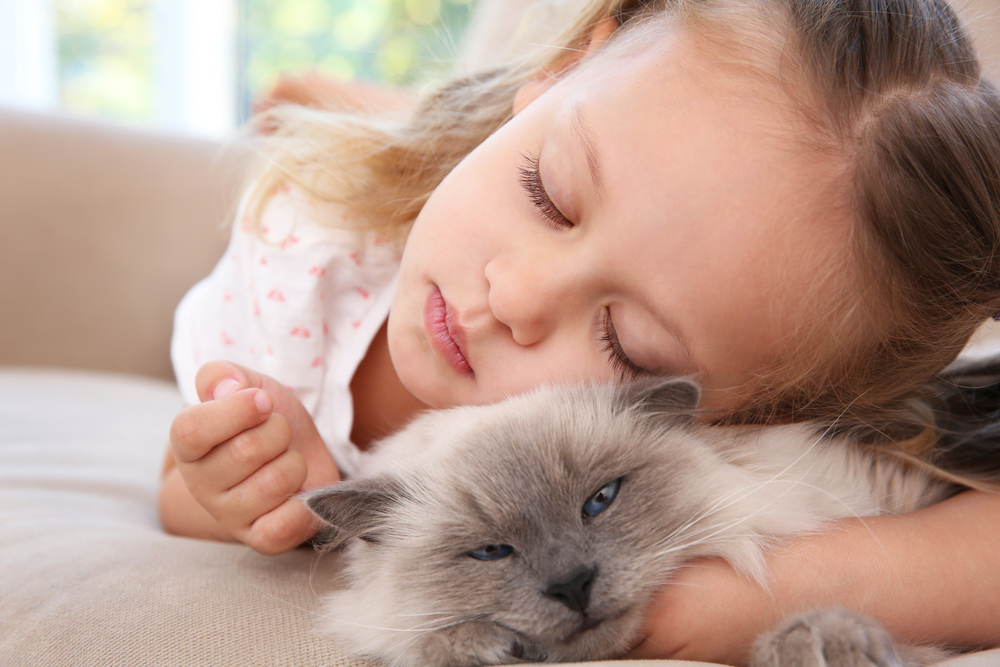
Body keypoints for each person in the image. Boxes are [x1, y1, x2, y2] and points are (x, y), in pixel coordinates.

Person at [160, 0, 1000, 663]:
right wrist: (256, 489)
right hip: (420, 173)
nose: (514, 294)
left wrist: (757, 596)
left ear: (744, 410)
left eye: (626, 345)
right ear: (568, 66)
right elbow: (182, 482)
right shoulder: (301, 270)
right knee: (394, 143)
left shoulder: (769, 362)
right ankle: (381, 108)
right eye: (550, 195)